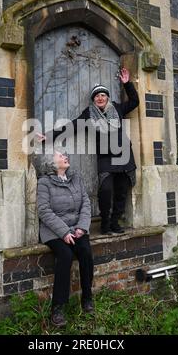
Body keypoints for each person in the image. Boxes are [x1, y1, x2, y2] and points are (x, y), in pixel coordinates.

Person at [37, 67, 139, 236]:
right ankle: (105, 222)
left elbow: (135, 102)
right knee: (105, 191)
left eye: (103, 95)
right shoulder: (89, 115)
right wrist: (49, 136)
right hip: (106, 158)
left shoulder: (118, 109)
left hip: (124, 156)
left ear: (107, 97)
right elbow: (71, 126)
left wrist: (127, 84)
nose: (100, 97)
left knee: (121, 191)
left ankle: (115, 222)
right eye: (97, 96)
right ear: (93, 100)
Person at [36, 149, 94, 327]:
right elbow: (44, 211)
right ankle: (58, 308)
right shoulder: (44, 183)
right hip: (54, 230)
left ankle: (87, 298)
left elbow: (86, 203)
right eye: (61, 156)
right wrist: (63, 232)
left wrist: (82, 227)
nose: (65, 157)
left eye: (65, 155)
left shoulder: (76, 178)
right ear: (51, 163)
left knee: (85, 251)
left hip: (76, 228)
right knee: (65, 256)